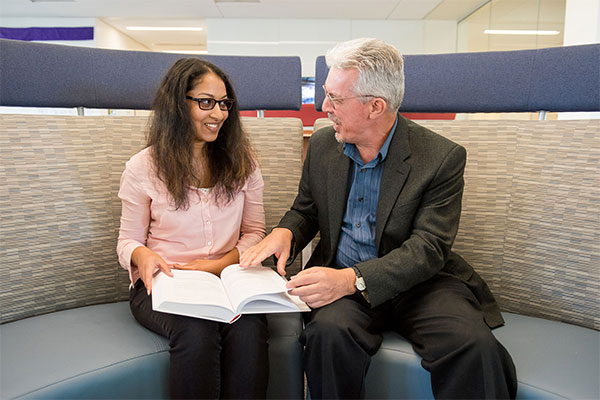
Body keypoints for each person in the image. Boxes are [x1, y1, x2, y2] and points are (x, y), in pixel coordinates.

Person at [240, 38, 517, 399]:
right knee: (328, 335)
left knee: (474, 347)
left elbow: (428, 249)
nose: (324, 107)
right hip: (342, 279)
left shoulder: (441, 157)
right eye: (327, 95)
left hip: (421, 284)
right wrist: (285, 232)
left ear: (375, 106)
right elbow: (306, 210)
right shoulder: (324, 146)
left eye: (335, 99)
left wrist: (352, 279)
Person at [117, 58, 269, 399]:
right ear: (177, 103)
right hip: (167, 284)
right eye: (206, 102)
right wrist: (141, 255)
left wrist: (216, 266)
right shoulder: (143, 167)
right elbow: (127, 241)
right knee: (196, 332)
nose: (218, 114)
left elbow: (255, 234)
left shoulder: (243, 161)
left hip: (229, 281)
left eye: (224, 103)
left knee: (249, 330)